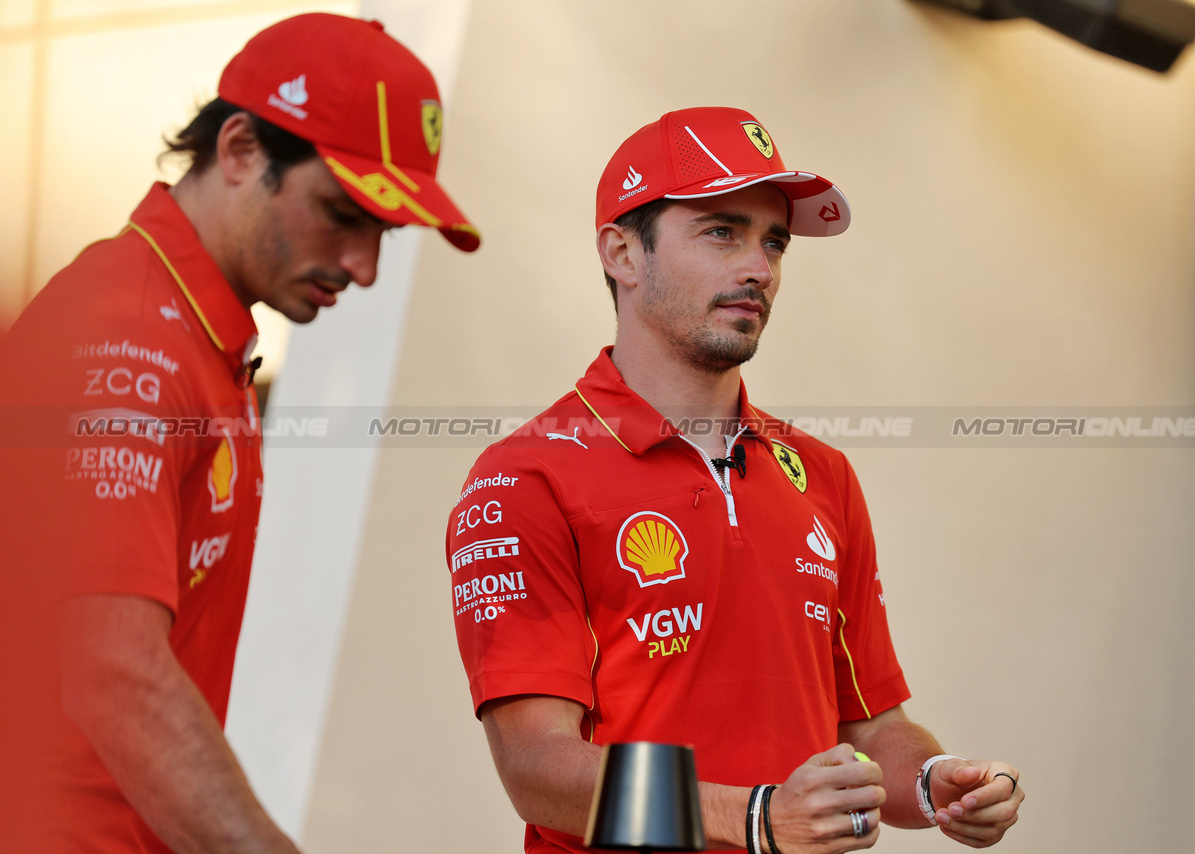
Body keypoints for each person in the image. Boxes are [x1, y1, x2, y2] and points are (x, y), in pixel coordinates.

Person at [447, 107, 1023, 853]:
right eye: (722, 231)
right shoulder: (526, 477)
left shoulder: (823, 474)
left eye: (773, 241)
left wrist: (932, 781)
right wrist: (753, 818)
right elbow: (538, 768)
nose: (759, 267)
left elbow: (872, 724)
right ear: (622, 252)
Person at [0, 12, 477, 853]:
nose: (364, 267)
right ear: (240, 151)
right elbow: (115, 674)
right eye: (341, 213)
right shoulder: (128, 340)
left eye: (385, 231)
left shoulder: (194, 337)